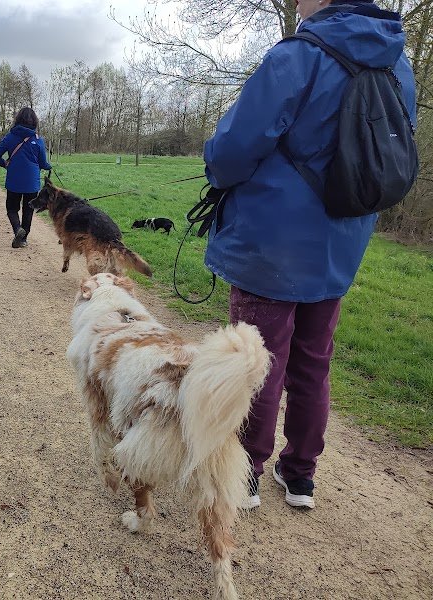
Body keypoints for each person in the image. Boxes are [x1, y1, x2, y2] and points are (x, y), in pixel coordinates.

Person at [203, 0, 417, 509]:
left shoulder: (296, 57)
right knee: (313, 362)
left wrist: (214, 171)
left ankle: (246, 472)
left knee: (256, 362)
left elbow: (234, 145)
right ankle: (300, 475)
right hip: (341, 242)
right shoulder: (397, 64)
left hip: (272, 241)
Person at [0, 107, 52, 248]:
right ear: (34, 122)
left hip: (14, 181)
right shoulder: (38, 140)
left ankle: (18, 229)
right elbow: (42, 163)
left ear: (17, 120)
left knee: (12, 209)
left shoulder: (10, 136)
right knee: (28, 210)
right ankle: (23, 239)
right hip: (32, 183)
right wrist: (49, 167)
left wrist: (4, 164)